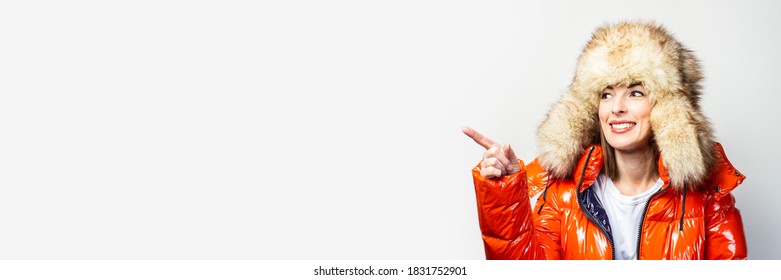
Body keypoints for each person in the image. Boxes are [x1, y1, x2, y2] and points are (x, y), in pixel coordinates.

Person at [462, 21, 747, 260]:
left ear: (666, 109)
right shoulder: (563, 195)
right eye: (606, 94)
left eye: (635, 92)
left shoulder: (708, 198)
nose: (616, 108)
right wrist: (505, 196)